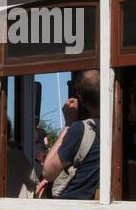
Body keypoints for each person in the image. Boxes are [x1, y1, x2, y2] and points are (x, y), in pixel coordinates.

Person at [40, 70, 101, 200]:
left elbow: (48, 172)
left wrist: (68, 123)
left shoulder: (80, 129)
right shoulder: (112, 127)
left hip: (73, 205)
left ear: (81, 99)